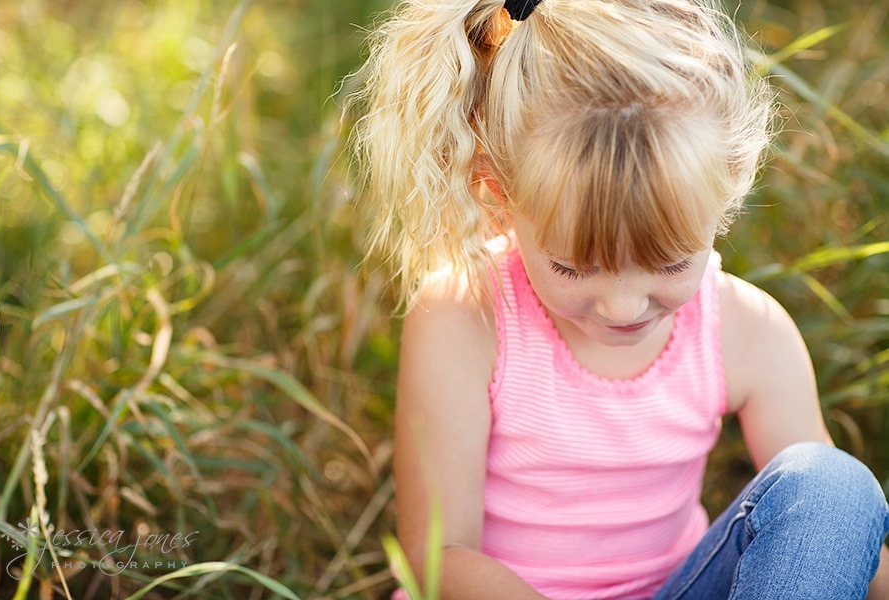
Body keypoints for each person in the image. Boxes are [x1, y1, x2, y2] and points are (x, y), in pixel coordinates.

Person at [351, 0, 889, 597]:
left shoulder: (746, 331)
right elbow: (438, 557)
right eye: (573, 267)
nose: (624, 308)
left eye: (668, 262)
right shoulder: (465, 317)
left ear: (729, 187)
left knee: (837, 486)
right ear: (498, 194)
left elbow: (836, 543)